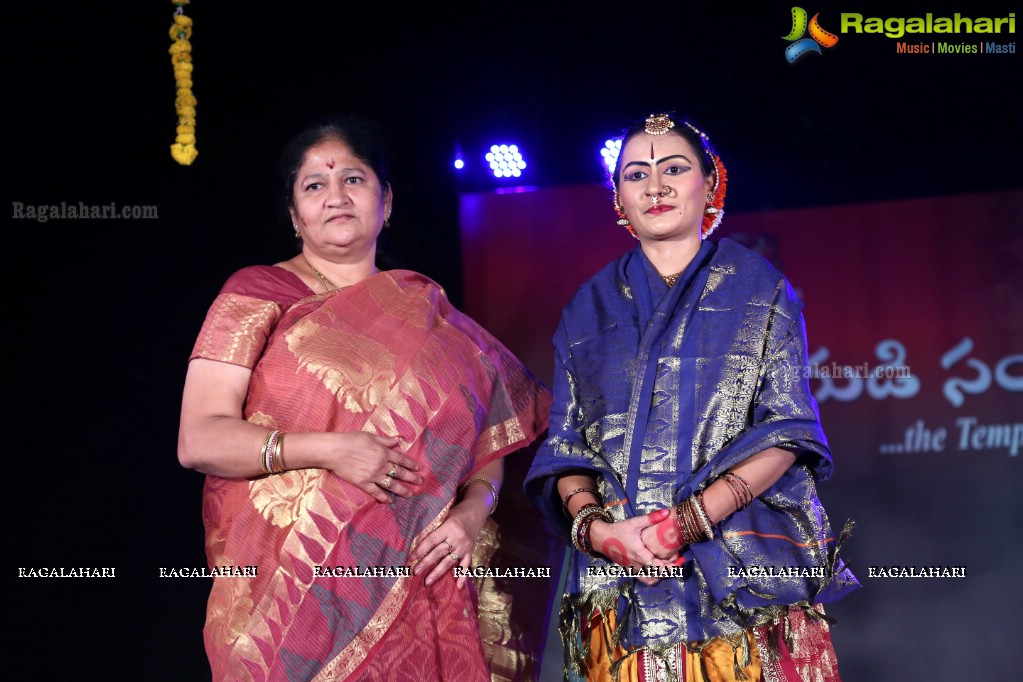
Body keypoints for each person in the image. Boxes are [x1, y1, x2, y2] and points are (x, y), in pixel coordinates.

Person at [177, 114, 551, 681]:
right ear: (294, 213)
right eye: (314, 185)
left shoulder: (439, 326)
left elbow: (493, 438)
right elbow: (199, 438)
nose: (335, 197)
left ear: (387, 201)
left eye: (354, 179)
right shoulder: (258, 292)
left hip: (416, 581)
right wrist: (330, 448)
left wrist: (474, 513)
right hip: (288, 596)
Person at [524, 113, 859, 681]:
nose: (656, 186)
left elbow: (789, 429)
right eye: (636, 174)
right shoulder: (588, 307)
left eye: (674, 168)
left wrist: (686, 523)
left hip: (742, 580)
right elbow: (566, 446)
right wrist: (600, 532)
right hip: (619, 582)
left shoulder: (760, 288)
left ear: (711, 182)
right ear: (618, 199)